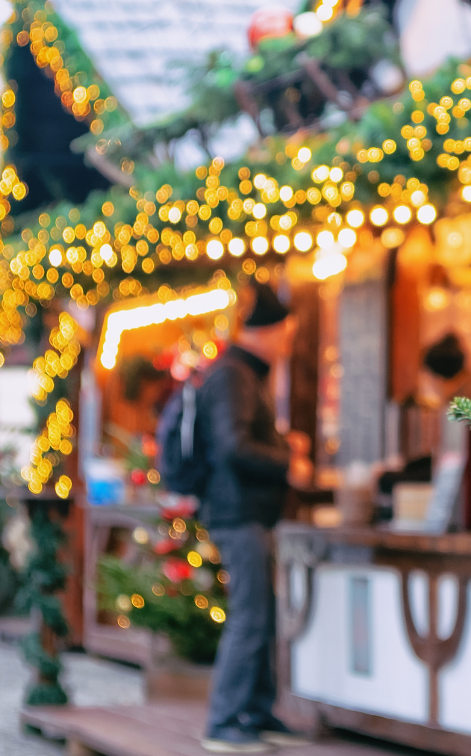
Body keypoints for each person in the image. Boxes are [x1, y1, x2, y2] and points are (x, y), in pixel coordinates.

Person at [196, 282, 310, 753]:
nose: (288, 342)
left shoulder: (243, 374)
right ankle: (224, 721)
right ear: (263, 332)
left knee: (260, 614)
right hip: (237, 513)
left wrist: (283, 444)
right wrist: (288, 462)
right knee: (250, 615)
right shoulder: (233, 375)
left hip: (249, 512)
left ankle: (257, 713)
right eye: (284, 332)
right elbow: (232, 446)